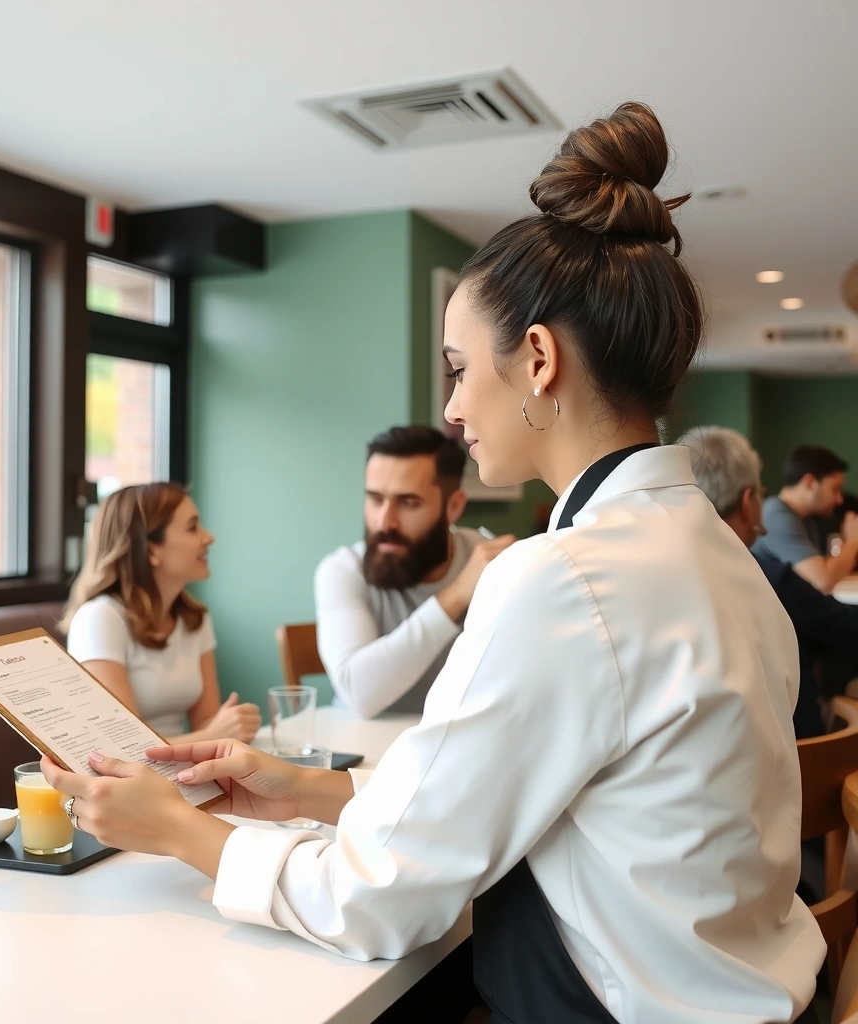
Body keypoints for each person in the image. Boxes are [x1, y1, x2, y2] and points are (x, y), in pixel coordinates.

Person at [43, 103, 825, 1023]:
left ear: (538, 359)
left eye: (458, 368)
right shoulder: (721, 555)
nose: (451, 407)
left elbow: (379, 898)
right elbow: (537, 790)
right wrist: (312, 789)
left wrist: (182, 832)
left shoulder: (564, 579)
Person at [314, 424, 514, 717]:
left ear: (453, 507)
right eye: (375, 499)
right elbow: (359, 693)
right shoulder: (343, 570)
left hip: (456, 738)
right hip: (358, 740)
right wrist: (455, 596)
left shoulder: (493, 561)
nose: (385, 522)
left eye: (408, 503)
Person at [681, 426, 858, 738]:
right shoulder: (768, 577)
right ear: (748, 502)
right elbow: (832, 606)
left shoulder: (675, 575)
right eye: (761, 494)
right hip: (797, 750)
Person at [63, 483, 260, 744]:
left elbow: (206, 724)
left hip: (184, 766)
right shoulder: (99, 618)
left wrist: (231, 726)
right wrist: (213, 736)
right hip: (126, 769)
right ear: (150, 549)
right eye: (192, 528)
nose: (209, 537)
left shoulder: (195, 618)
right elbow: (124, 746)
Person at [751, 445, 858, 594]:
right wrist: (854, 540)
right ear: (810, 482)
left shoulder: (805, 519)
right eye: (835, 489)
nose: (839, 500)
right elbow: (822, 581)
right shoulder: (777, 516)